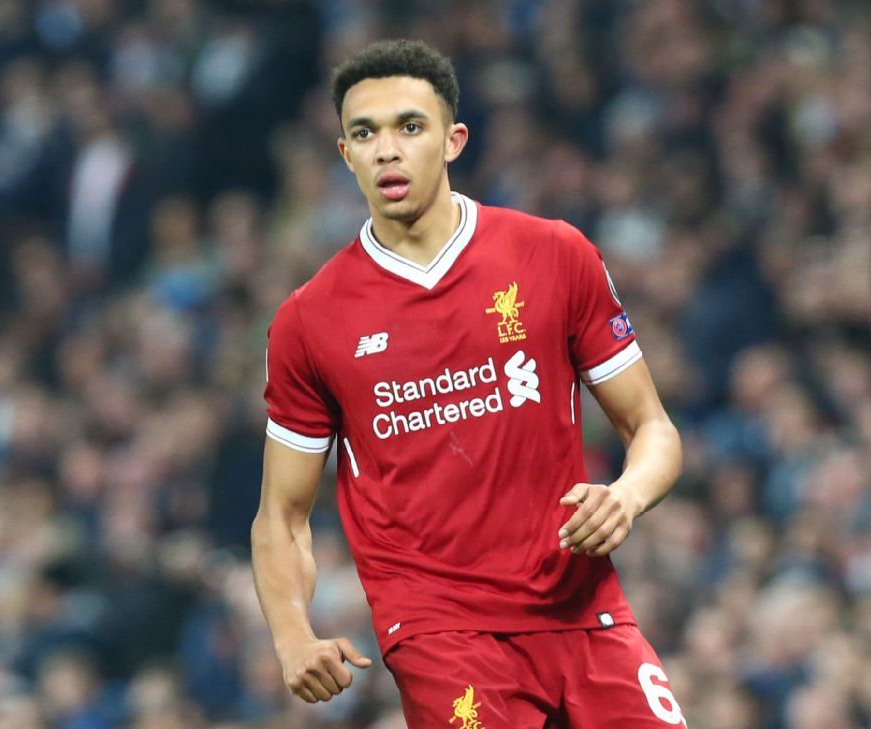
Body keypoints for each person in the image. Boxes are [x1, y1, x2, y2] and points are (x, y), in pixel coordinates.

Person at [251, 39, 687, 728]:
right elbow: (282, 515)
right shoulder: (311, 320)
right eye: (364, 133)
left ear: (453, 140)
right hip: (441, 631)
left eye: (409, 127)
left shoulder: (554, 255)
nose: (386, 151)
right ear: (345, 154)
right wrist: (291, 636)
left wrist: (626, 496)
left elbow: (653, 428)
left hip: (581, 607)